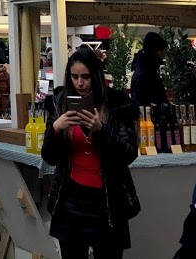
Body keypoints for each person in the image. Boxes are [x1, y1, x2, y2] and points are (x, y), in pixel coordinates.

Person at [42, 47, 140, 258]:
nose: (80, 83)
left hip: (107, 201)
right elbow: (49, 157)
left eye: (85, 77)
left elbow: (129, 153)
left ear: (95, 76)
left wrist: (101, 130)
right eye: (75, 77)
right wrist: (56, 129)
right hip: (71, 200)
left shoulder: (116, 103)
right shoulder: (60, 103)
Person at [130, 31, 169, 107]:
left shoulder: (147, 69)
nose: (165, 55)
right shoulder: (145, 73)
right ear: (158, 52)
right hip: (150, 113)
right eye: (164, 51)